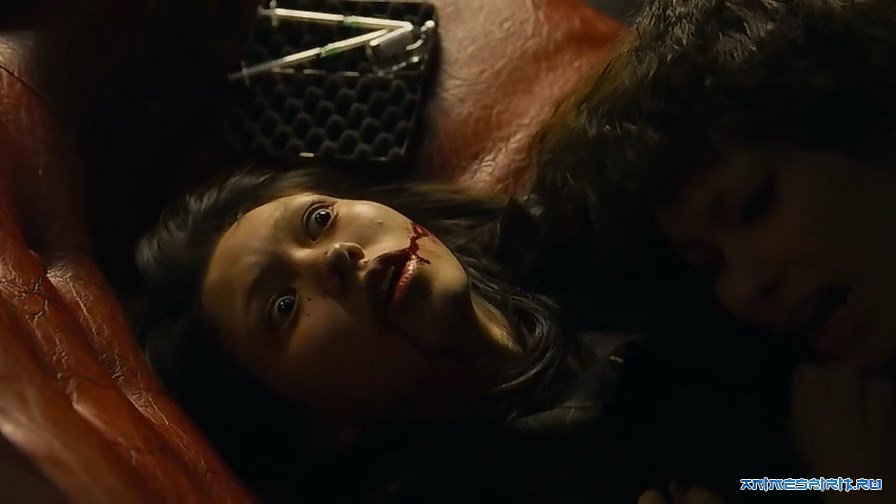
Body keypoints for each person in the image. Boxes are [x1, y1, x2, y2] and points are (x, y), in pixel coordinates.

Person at [135, 166, 810, 503]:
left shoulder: (576, 229)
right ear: (315, 425)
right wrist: (840, 481)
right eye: (283, 306)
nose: (336, 256)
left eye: (318, 221)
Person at [529, 0, 896, 499]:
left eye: (754, 206)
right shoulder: (803, 403)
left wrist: (859, 483)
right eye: (710, 264)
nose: (745, 290)